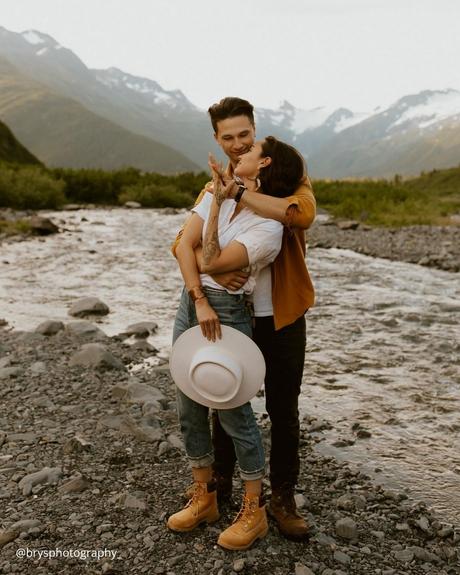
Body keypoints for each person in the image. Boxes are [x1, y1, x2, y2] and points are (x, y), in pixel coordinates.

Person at [172, 97, 316, 541]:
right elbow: (183, 242)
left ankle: (281, 499)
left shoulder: (290, 177)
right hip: (235, 311)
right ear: (217, 139)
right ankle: (219, 490)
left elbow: (302, 216)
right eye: (228, 138)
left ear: (256, 134)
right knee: (220, 395)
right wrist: (207, 273)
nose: (237, 145)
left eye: (244, 136)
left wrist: (238, 194)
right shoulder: (216, 183)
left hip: (281, 315)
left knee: (282, 408)